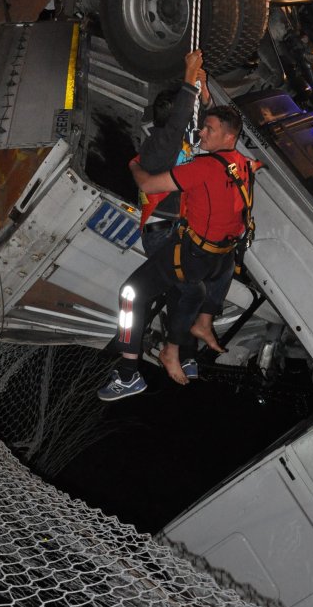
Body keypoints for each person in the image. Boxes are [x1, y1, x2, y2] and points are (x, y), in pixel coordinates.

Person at [97, 106, 259, 401]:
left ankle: (129, 373)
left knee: (131, 294)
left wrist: (134, 164)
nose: (202, 133)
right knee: (178, 291)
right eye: (203, 127)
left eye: (210, 129)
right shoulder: (243, 165)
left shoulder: (204, 168)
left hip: (193, 257)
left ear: (230, 136)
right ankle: (189, 354)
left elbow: (147, 184)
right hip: (220, 258)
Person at [138, 50, 211, 257]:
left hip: (173, 227)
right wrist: (189, 74)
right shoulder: (158, 146)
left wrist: (202, 87)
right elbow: (181, 117)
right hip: (160, 233)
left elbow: (203, 119)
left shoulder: (181, 140)